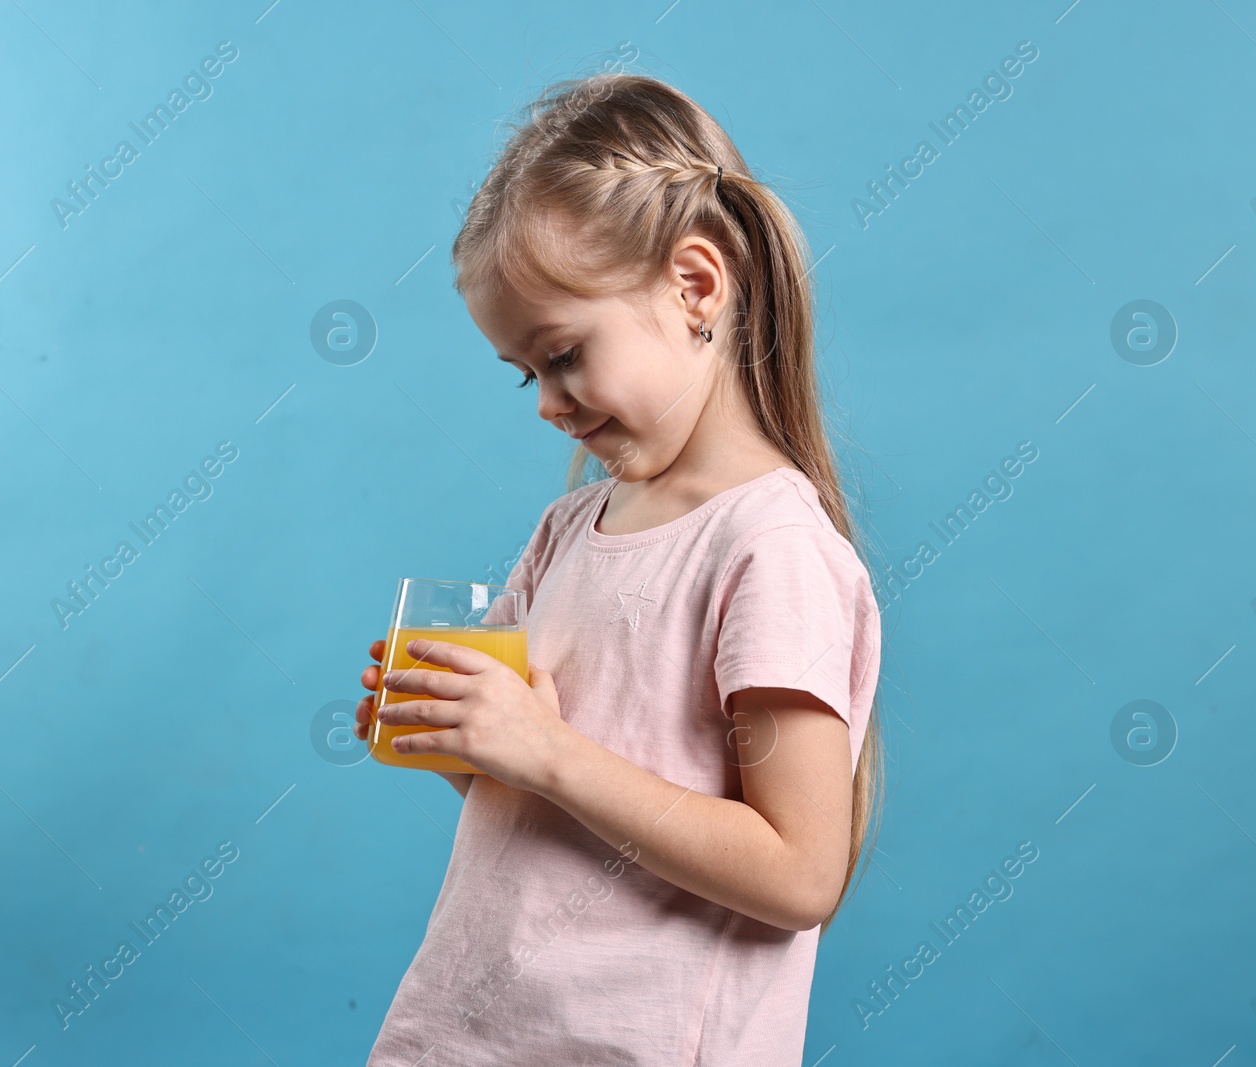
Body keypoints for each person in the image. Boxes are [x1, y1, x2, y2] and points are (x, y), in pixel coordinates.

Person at [352, 70, 886, 1066]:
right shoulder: (568, 528)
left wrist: (542, 749)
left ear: (694, 285)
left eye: (561, 354)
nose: (548, 403)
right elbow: (542, 794)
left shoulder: (770, 551)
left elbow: (797, 870)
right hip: (472, 1032)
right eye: (526, 373)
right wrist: (462, 738)